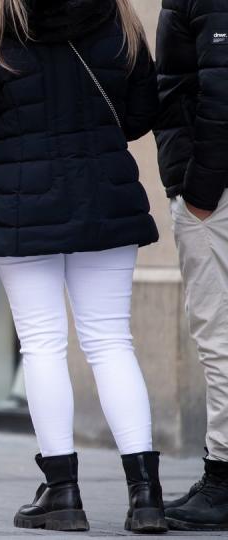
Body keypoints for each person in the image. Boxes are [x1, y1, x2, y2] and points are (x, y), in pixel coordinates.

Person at [0, 0, 164, 533]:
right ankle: (146, 496)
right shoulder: (118, 16)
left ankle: (62, 492)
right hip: (105, 198)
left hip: (22, 207)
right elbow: (139, 116)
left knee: (42, 343)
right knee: (112, 341)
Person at [154, 0, 228, 531]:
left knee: (219, 337)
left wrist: (199, 189)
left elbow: (220, 89)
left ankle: (223, 479)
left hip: (215, 197)